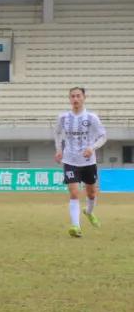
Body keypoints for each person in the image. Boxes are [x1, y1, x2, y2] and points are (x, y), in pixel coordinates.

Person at [53, 87, 107, 237]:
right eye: (72, 96)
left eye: (78, 96)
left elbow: (103, 136)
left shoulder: (92, 118)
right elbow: (57, 133)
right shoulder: (63, 117)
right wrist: (58, 150)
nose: (75, 99)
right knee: (74, 192)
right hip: (70, 159)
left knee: (91, 193)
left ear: (84, 98)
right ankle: (75, 227)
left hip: (88, 161)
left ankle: (89, 212)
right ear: (69, 99)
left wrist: (92, 147)